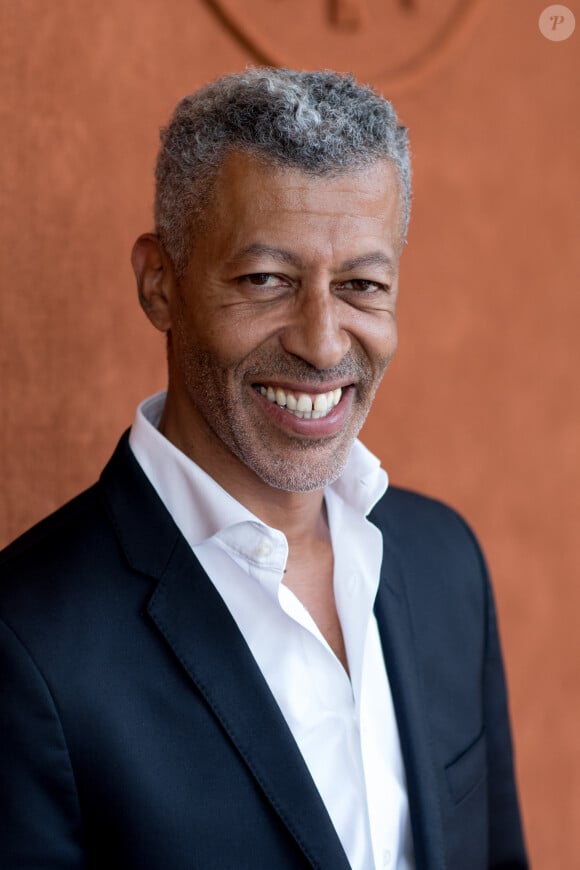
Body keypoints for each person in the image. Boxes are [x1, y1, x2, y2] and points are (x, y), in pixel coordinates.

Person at [0, 68, 527, 869]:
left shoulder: (445, 561)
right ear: (159, 285)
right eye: (265, 280)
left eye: (362, 285)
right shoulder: (26, 641)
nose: (322, 342)